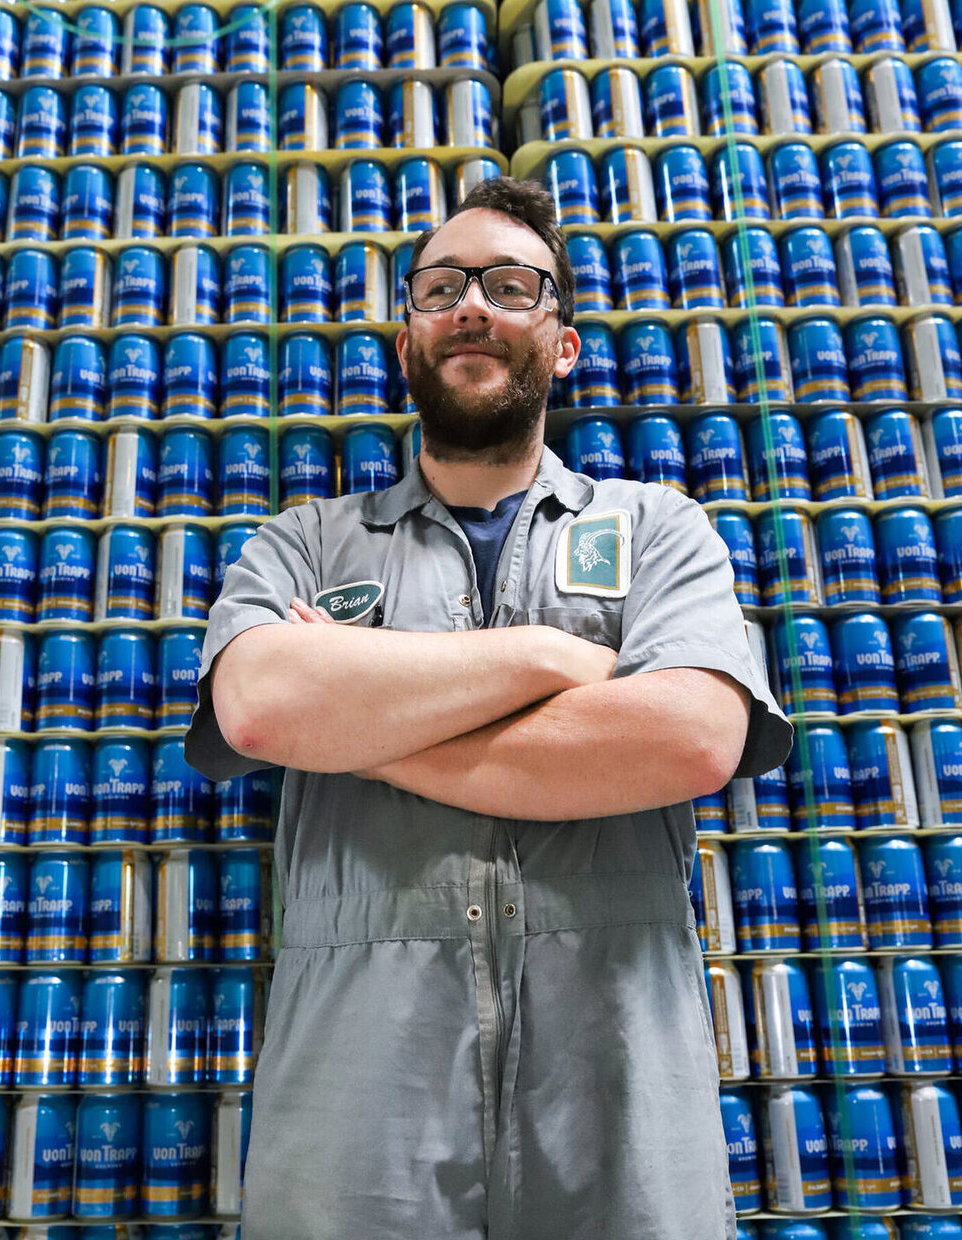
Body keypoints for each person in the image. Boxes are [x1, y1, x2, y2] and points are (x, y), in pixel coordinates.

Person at [186, 175, 792, 1240]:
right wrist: (555, 657)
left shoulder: (659, 529)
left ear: (560, 342)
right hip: (354, 1123)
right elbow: (260, 712)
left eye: (510, 285)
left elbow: (694, 735)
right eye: (440, 287)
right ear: (405, 337)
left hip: (618, 1107)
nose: (471, 304)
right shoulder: (303, 541)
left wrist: (363, 725)